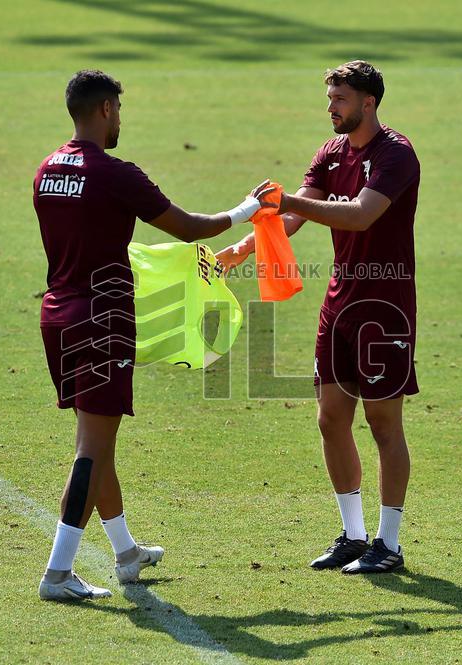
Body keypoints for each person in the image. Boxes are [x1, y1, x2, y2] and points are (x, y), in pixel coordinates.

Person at [34, 69, 273, 601]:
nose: (120, 118)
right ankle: (58, 571)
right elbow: (188, 227)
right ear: (103, 110)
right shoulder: (116, 173)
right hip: (102, 320)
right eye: (117, 109)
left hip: (57, 314)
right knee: (92, 450)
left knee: (98, 443)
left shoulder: (47, 169)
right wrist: (245, 210)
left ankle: (124, 552)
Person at [218, 60, 420, 574]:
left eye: (341, 100)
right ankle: (354, 536)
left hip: (385, 307)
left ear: (368, 103)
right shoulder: (331, 153)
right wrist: (248, 243)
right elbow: (298, 211)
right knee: (331, 419)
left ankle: (389, 544)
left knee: (382, 423)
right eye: (330, 99)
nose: (331, 108)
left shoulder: (395, 154)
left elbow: (360, 213)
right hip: (339, 304)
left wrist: (286, 200)